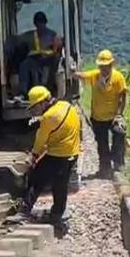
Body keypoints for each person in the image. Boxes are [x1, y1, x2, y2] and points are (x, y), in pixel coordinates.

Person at [15, 85, 81, 228]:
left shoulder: (48, 117)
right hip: (72, 153)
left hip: (58, 155)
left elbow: (40, 140)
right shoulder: (66, 105)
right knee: (60, 186)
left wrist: (33, 156)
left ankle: (24, 210)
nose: (34, 111)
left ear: (43, 102)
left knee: (37, 179)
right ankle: (57, 214)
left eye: (35, 107)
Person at [76, 49, 128, 178]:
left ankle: (118, 163)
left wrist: (119, 115)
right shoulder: (95, 76)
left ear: (112, 65)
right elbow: (82, 75)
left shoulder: (118, 77)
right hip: (97, 118)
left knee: (119, 133)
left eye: (107, 66)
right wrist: (71, 72)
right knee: (102, 144)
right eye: (102, 66)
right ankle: (104, 169)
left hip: (113, 117)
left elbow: (123, 97)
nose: (104, 69)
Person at [16, 12, 62, 98]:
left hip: (49, 60)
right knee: (24, 64)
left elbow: (57, 50)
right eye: (38, 24)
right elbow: (20, 42)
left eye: (42, 23)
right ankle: (23, 92)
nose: (40, 26)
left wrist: (56, 48)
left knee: (55, 63)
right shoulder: (29, 36)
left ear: (45, 23)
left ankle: (52, 91)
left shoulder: (53, 35)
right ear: (35, 24)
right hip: (35, 60)